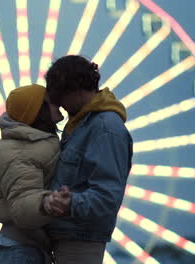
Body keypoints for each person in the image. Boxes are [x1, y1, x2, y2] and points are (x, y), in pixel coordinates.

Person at [42, 55, 133, 264]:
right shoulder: (81, 124)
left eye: (60, 97)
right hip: (68, 234)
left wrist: (70, 203)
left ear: (75, 89)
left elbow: (108, 197)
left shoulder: (105, 128)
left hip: (81, 239)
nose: (60, 107)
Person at [0, 84, 64, 264]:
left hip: (26, 247)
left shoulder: (29, 145)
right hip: (22, 250)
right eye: (52, 100)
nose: (59, 101)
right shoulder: (20, 153)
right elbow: (24, 203)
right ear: (37, 110)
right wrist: (46, 203)